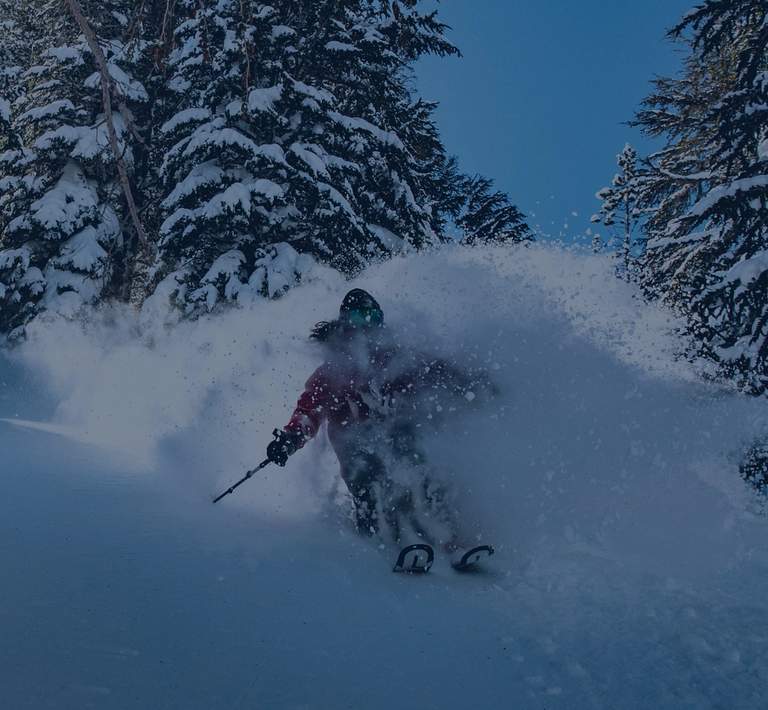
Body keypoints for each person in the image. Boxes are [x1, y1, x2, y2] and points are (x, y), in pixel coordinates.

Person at [266, 288, 477, 549]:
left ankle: (449, 535)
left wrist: (465, 382)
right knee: (366, 477)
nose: (366, 326)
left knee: (419, 463)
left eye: (372, 318)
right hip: (351, 441)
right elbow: (310, 408)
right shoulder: (333, 369)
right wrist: (291, 437)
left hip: (394, 431)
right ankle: (378, 540)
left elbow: (429, 370)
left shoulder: (393, 357)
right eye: (357, 318)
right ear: (345, 322)